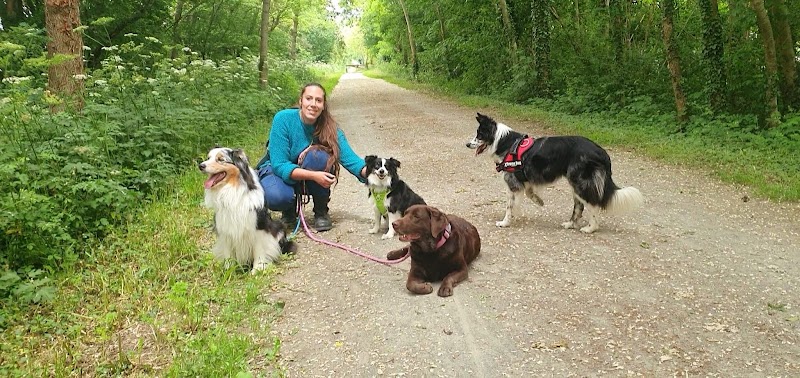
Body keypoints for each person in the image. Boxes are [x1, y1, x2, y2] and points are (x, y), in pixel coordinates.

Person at [256, 83, 367, 232]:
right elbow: (279, 164)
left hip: (308, 173)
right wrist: (313, 176)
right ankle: (289, 211)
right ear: (301, 100)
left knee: (318, 157)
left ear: (323, 105)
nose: (313, 104)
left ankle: (321, 211)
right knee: (277, 197)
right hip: (278, 172)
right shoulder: (283, 119)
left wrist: (377, 173)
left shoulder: (330, 127)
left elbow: (352, 160)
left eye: (318, 100)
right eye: (309, 98)